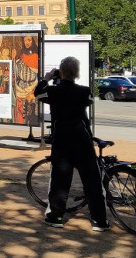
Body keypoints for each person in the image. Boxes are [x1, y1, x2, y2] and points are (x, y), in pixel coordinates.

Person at [33, 56, 110, 231]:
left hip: (62, 141)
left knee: (60, 181)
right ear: (77, 73)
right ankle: (100, 221)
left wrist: (47, 79)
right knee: (92, 182)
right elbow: (88, 100)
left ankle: (56, 216)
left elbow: (38, 94)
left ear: (61, 71)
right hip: (82, 140)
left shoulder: (53, 92)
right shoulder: (84, 91)